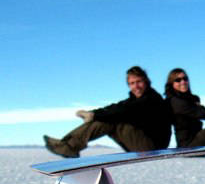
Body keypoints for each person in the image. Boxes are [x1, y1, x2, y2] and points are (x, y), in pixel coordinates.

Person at [43, 66, 172, 158]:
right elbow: (117, 106)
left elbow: (125, 110)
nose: (136, 86)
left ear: (146, 81)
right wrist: (93, 113)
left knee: (113, 120)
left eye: (139, 82)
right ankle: (67, 144)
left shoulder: (152, 99)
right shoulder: (134, 100)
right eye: (132, 83)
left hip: (153, 147)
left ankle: (69, 146)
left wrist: (94, 115)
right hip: (144, 144)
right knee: (109, 118)